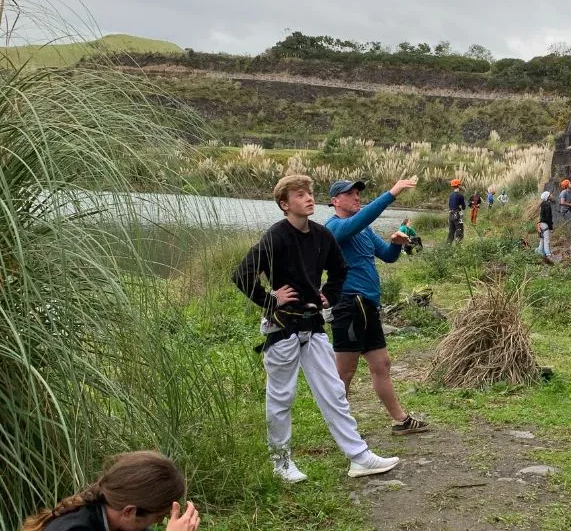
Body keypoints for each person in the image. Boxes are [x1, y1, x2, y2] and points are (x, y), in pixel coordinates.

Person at [232, 174, 399, 482]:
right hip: (281, 328)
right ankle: (282, 464)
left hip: (313, 325)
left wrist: (329, 295)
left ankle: (359, 457)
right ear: (285, 204)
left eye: (309, 193)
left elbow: (340, 269)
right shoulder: (276, 236)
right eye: (299, 195)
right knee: (282, 396)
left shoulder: (322, 236)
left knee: (334, 391)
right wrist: (270, 300)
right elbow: (242, 275)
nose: (308, 198)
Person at [325, 178, 430, 436]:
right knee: (345, 371)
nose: (356, 197)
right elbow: (360, 220)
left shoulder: (365, 231)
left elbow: (388, 257)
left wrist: (397, 242)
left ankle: (400, 420)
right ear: (334, 201)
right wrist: (392, 193)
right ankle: (341, 428)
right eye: (349, 194)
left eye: (358, 192)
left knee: (382, 364)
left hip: (368, 305)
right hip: (349, 305)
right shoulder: (334, 227)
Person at [20, 451, 199, 531]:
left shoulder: (118, 521)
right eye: (158, 518)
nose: (155, 525)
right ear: (130, 511)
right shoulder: (74, 529)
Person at [536, 191, 554, 258]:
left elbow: (541, 216)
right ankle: (548, 254)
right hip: (545, 224)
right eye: (550, 194)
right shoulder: (547, 204)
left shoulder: (543, 204)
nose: (552, 195)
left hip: (541, 224)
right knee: (546, 240)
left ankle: (539, 252)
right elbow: (548, 217)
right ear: (548, 197)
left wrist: (538, 224)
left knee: (542, 240)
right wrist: (551, 227)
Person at [447, 179, 466, 243]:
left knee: (451, 232)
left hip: (451, 215)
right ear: (459, 186)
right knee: (459, 232)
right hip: (458, 215)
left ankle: (447, 246)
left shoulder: (450, 195)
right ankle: (458, 248)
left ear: (452, 186)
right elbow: (464, 207)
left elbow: (449, 205)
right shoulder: (460, 195)